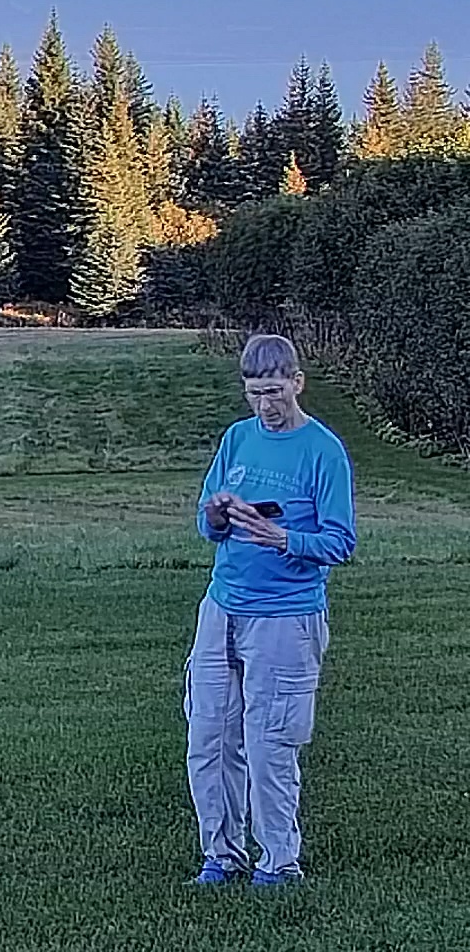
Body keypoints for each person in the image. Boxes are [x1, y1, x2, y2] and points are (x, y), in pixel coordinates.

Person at [185, 333, 357, 888]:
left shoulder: (323, 451)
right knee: (209, 737)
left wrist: (282, 537)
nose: (266, 404)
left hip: (285, 616)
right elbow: (205, 524)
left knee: (269, 744)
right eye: (256, 392)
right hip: (222, 607)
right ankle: (221, 854)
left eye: (276, 391)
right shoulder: (236, 440)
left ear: (297, 383)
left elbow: (340, 542)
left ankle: (279, 862)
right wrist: (217, 514)